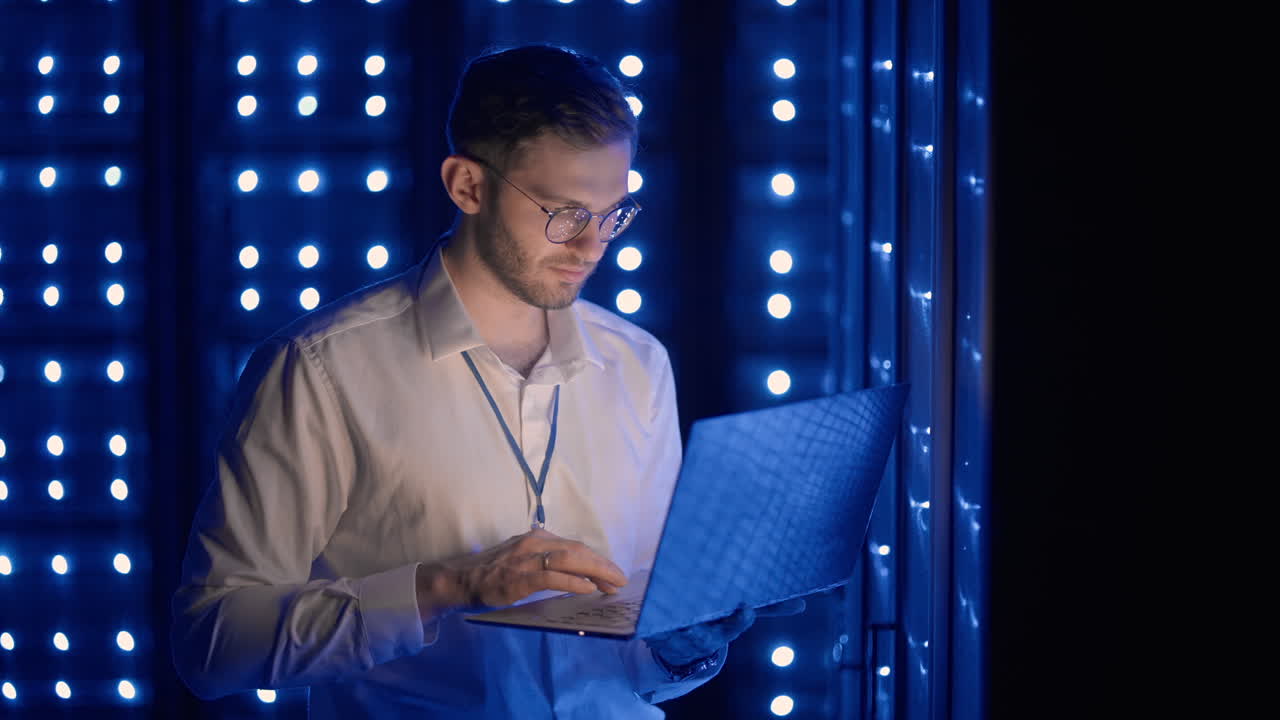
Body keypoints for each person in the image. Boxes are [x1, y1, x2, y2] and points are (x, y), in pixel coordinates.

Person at [171, 44, 797, 719]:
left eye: (614, 213)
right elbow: (210, 645)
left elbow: (637, 657)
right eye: (566, 214)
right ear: (468, 185)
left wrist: (684, 644)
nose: (594, 248)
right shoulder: (321, 370)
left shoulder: (639, 364)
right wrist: (446, 586)